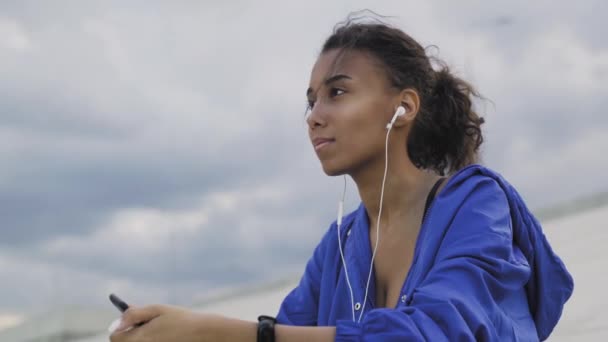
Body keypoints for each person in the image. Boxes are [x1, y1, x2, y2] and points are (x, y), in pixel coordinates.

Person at [110, 17, 573, 342]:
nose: (315, 117)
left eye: (337, 92)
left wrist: (220, 331)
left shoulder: (474, 204)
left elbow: (437, 333)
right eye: (311, 101)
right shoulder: (338, 247)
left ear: (404, 107)